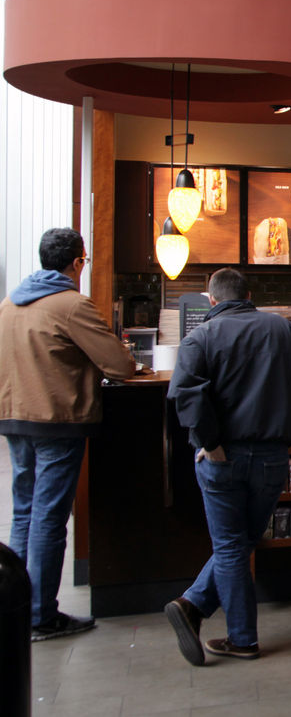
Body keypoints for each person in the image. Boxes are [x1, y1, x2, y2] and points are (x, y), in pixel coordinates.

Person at [165, 268, 291, 665]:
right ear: (250, 295)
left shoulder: (199, 337)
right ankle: (192, 607)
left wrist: (210, 444)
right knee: (241, 542)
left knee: (232, 545)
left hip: (222, 459)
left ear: (210, 300)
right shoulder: (284, 331)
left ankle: (241, 637)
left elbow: (184, 393)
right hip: (271, 459)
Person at [0, 227, 136, 641]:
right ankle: (42, 615)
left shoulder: (10, 303)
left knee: (24, 512)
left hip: (15, 419)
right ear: (77, 262)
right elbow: (120, 366)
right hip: (57, 422)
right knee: (49, 518)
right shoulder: (72, 305)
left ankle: (16, 608)